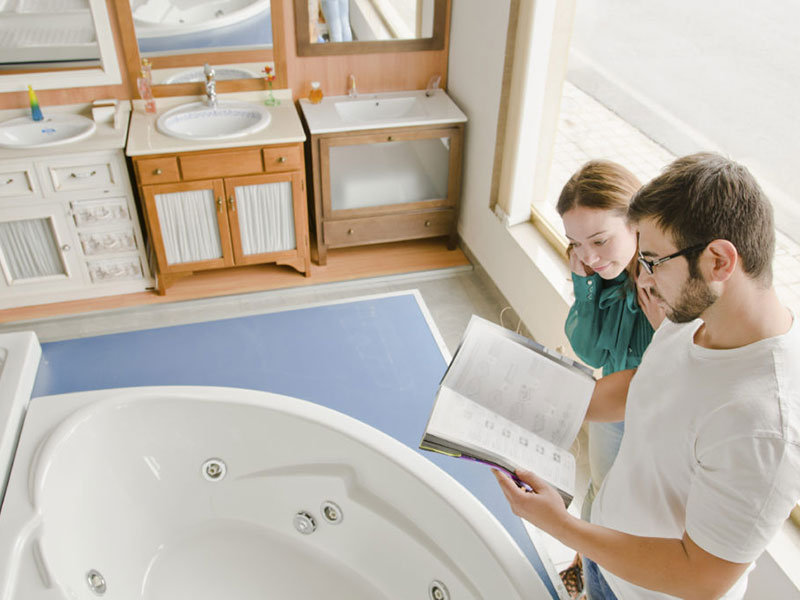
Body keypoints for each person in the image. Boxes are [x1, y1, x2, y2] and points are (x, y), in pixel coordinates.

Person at [496, 152, 800, 599]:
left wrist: (562, 526)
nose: (645, 278)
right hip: (606, 554)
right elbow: (645, 384)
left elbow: (702, 578)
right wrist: (530, 396)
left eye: (654, 261)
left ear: (718, 261)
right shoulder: (692, 318)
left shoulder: (764, 425)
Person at [556, 160, 664, 597]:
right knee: (600, 489)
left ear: (636, 224)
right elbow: (589, 350)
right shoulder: (599, 273)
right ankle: (586, 560)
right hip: (613, 409)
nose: (589, 256)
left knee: (637, 509)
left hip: (657, 416)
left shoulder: (666, 281)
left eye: (600, 240)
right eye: (575, 244)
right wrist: (583, 284)